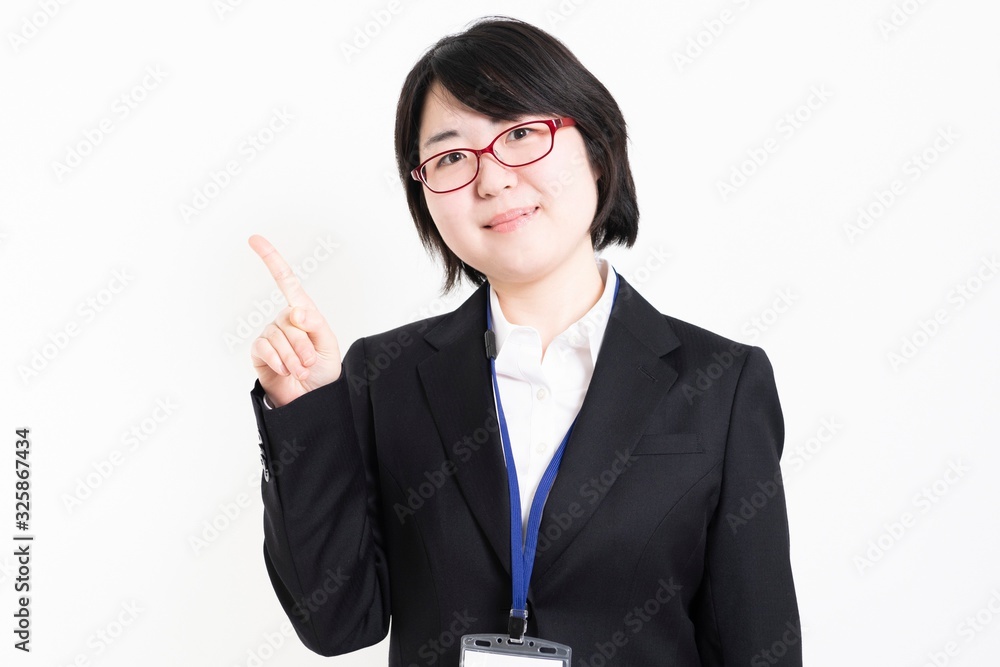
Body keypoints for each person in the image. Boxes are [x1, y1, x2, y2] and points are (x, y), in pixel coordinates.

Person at [247, 16, 801, 667]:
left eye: (519, 134)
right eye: (452, 157)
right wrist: (307, 410)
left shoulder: (722, 384)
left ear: (595, 147)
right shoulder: (384, 375)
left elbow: (756, 646)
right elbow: (337, 622)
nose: (492, 179)